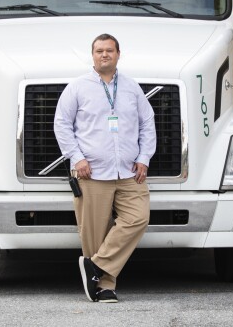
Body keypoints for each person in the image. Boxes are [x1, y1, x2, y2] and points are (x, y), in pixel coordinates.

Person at [54, 33, 156, 303]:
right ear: (93, 55)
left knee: (138, 218)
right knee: (94, 232)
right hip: (92, 173)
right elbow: (62, 124)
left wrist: (144, 157)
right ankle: (103, 286)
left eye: (109, 50)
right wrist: (77, 158)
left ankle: (96, 266)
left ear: (118, 54)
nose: (104, 55)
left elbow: (147, 123)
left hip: (129, 173)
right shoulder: (77, 87)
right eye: (99, 51)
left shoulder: (132, 88)